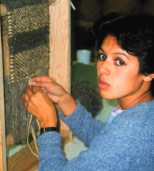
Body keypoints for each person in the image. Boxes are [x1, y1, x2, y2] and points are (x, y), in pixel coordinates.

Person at [22, 13, 154, 171]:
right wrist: (65, 100)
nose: (102, 68)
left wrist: (47, 124)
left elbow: (118, 143)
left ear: (148, 73)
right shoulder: (142, 111)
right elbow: (104, 138)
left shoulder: (131, 133)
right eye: (102, 56)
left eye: (119, 61)